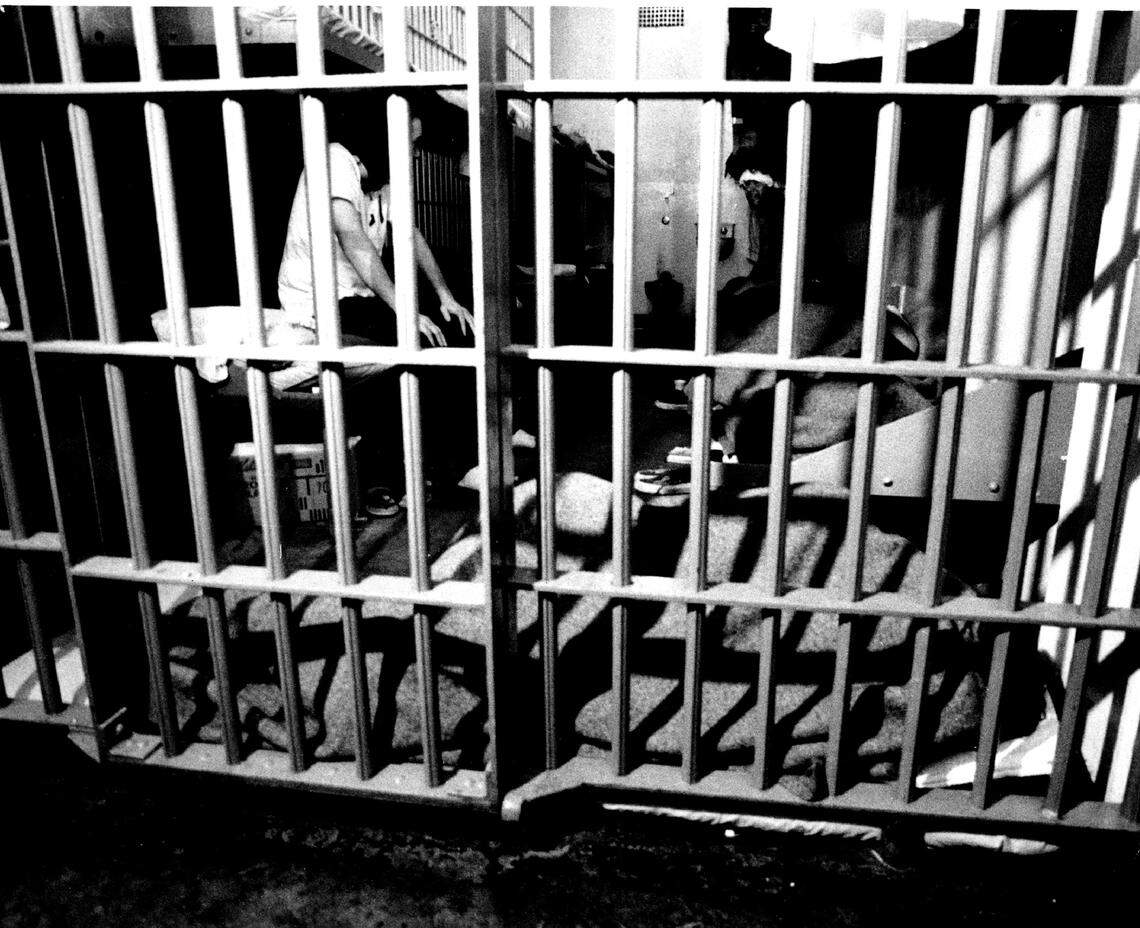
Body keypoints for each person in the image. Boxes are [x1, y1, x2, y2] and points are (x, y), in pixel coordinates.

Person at [277, 123, 472, 346]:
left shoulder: (384, 178)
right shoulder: (334, 159)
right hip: (316, 305)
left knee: (452, 307)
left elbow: (410, 235)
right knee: (420, 336)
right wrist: (406, 310)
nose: (417, 154)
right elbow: (352, 239)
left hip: (357, 298)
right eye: (413, 143)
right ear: (386, 140)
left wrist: (445, 295)